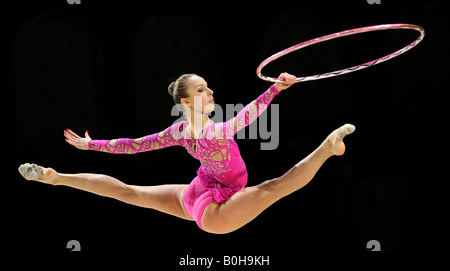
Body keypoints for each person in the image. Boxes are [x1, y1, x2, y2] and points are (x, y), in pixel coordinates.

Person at [18, 73, 355, 234]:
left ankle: (57, 178)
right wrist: (275, 89)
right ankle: (327, 147)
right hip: (216, 210)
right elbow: (246, 117)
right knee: (273, 187)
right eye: (201, 90)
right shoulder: (211, 131)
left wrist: (91, 145)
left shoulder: (179, 132)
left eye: (208, 87)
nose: (210, 92)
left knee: (129, 192)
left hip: (196, 193)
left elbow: (132, 145)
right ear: (185, 102)